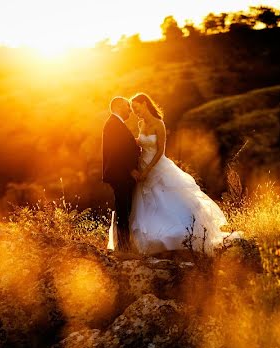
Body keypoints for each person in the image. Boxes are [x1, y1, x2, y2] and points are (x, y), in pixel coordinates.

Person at [124, 92, 241, 255]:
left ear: (144, 104)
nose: (136, 112)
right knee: (147, 203)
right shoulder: (141, 124)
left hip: (156, 165)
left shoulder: (159, 124)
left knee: (168, 199)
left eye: (136, 108)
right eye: (133, 110)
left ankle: (179, 234)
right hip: (141, 164)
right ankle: (151, 236)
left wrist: (148, 171)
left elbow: (160, 152)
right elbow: (140, 142)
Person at [101, 96, 141, 252]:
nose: (130, 109)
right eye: (127, 106)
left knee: (125, 209)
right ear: (118, 107)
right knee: (123, 210)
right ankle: (123, 247)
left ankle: (124, 245)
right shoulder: (113, 124)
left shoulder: (116, 124)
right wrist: (131, 169)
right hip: (120, 174)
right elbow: (119, 151)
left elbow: (126, 146)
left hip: (121, 173)